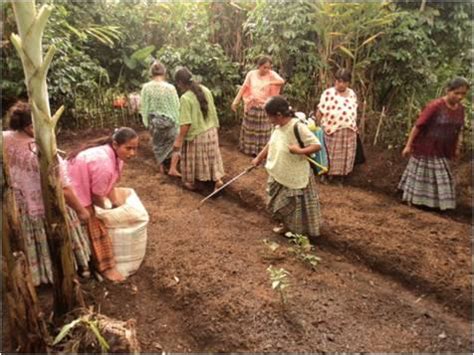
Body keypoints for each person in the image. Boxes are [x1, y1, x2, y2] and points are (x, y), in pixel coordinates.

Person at [3, 101, 92, 286]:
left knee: (25, 244)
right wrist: (82, 211)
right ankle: (60, 276)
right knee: (57, 240)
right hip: (45, 208)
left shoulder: (4, 138)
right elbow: (65, 189)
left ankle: (36, 276)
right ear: (30, 126)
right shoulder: (41, 152)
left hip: (17, 206)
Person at [67, 127, 139, 282]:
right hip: (73, 194)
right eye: (129, 148)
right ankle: (105, 268)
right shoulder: (104, 163)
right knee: (96, 230)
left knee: (97, 221)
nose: (132, 153)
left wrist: (116, 205)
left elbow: (110, 186)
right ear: (115, 144)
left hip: (81, 189)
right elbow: (97, 195)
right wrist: (106, 210)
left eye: (135, 149)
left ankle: (88, 262)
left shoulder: (115, 157)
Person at [252, 96, 322, 238]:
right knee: (279, 204)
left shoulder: (298, 127)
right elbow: (271, 142)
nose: (268, 119)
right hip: (279, 171)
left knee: (296, 208)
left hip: (295, 174)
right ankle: (285, 226)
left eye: (269, 116)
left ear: (278, 115)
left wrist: (299, 151)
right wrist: (259, 157)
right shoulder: (277, 126)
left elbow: (317, 145)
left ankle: (300, 237)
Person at [398, 77, 469, 210]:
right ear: (448, 91)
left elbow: (459, 130)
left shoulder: (460, 109)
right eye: (457, 93)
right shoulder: (435, 106)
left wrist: (457, 146)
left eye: (463, 94)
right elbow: (418, 126)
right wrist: (408, 145)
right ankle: (416, 202)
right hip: (425, 148)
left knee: (441, 179)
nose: (459, 97)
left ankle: (435, 205)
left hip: (442, 149)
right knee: (423, 176)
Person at [172, 67, 225, 191]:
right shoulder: (206, 90)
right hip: (211, 132)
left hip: (197, 136)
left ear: (179, 82)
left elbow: (186, 124)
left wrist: (179, 140)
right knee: (212, 158)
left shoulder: (186, 98)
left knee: (193, 160)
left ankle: (191, 183)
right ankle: (218, 180)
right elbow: (213, 111)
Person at [231, 55, 285, 156]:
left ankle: (262, 152)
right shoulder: (251, 74)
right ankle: (248, 150)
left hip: (265, 106)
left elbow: (281, 81)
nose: (267, 69)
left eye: (269, 67)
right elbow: (244, 87)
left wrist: (269, 82)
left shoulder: (271, 74)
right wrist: (236, 101)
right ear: (259, 66)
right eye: (265, 67)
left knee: (264, 129)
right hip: (252, 105)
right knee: (250, 129)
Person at [316, 68, 358, 184]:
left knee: (345, 155)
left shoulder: (352, 94)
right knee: (329, 153)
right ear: (335, 81)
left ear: (348, 83)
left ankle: (340, 177)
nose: (341, 84)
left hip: (348, 130)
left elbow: (353, 111)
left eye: (344, 82)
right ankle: (326, 174)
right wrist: (318, 127)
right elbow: (320, 111)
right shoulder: (328, 93)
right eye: (338, 81)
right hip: (331, 129)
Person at [140, 61, 181, 176]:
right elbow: (176, 106)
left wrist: (147, 123)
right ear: (164, 72)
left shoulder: (146, 88)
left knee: (158, 145)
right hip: (170, 122)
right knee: (174, 143)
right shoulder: (170, 88)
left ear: (151, 73)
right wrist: (177, 122)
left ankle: (161, 167)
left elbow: (144, 106)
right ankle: (173, 168)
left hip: (154, 122)